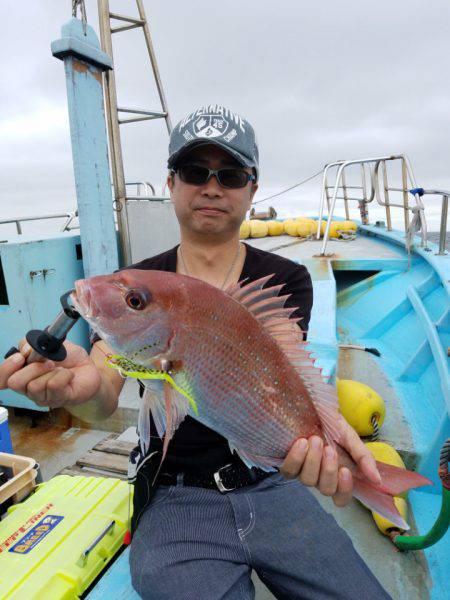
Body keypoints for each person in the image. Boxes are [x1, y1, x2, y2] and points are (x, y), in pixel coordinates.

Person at [0, 105, 391, 600]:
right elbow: (102, 383)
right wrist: (79, 391)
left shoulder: (283, 280)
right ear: (170, 183)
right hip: (174, 491)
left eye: (230, 174)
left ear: (252, 188)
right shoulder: (140, 278)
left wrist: (326, 443)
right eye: (194, 172)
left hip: (271, 481)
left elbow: (290, 373)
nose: (211, 187)